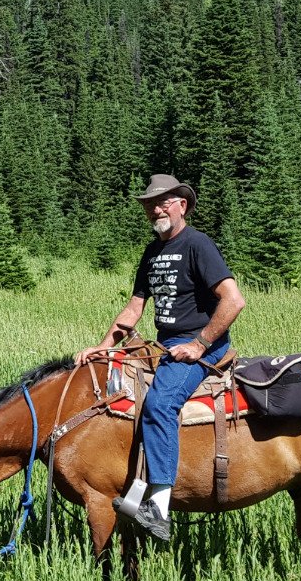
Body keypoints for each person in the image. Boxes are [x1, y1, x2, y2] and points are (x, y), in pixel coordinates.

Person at [74, 174, 246, 541]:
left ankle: (159, 508)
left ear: (182, 204)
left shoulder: (198, 245)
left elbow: (233, 300)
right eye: (150, 203)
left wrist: (199, 345)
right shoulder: (152, 252)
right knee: (125, 400)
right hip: (165, 344)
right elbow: (135, 307)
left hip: (202, 345)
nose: (156, 209)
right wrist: (105, 347)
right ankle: (135, 490)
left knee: (160, 404)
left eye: (164, 201)